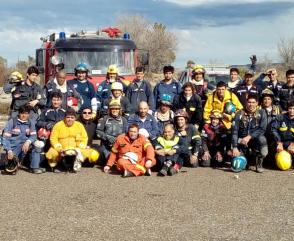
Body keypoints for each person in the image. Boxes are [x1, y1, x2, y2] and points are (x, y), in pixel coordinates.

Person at [45, 108, 99, 172]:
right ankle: (58, 165)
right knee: (51, 154)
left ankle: (76, 163)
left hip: (76, 149)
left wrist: (80, 148)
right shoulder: (58, 125)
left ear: (75, 118)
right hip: (61, 149)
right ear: (64, 117)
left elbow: (84, 138)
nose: (70, 119)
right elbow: (53, 139)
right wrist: (59, 148)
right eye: (68, 117)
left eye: (72, 117)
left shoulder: (79, 125)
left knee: (94, 154)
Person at [2, 105, 44, 174]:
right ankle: (16, 163)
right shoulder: (12, 122)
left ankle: (34, 167)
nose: (24, 115)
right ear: (19, 113)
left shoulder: (31, 122)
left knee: (37, 145)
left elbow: (33, 135)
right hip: (14, 148)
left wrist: (28, 141)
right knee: (11, 167)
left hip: (26, 146)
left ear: (29, 114)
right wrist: (9, 151)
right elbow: (6, 139)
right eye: (22, 113)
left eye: (26, 113)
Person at [231, 95, 268, 173]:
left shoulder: (262, 113)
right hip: (241, 141)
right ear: (246, 103)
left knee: (262, 139)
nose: (251, 104)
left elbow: (262, 129)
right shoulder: (239, 114)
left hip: (255, 140)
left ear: (257, 103)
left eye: (253, 102)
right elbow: (234, 131)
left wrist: (249, 136)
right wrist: (234, 147)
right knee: (237, 167)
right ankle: (245, 158)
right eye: (249, 102)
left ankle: (259, 163)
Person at [96, 100, 128, 164]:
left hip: (119, 145)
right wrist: (108, 138)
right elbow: (98, 131)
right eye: (112, 108)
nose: (115, 110)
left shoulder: (123, 120)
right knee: (105, 160)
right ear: (109, 110)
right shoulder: (105, 119)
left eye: (117, 109)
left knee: (121, 161)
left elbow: (126, 133)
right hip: (106, 145)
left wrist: (118, 140)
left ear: (119, 110)